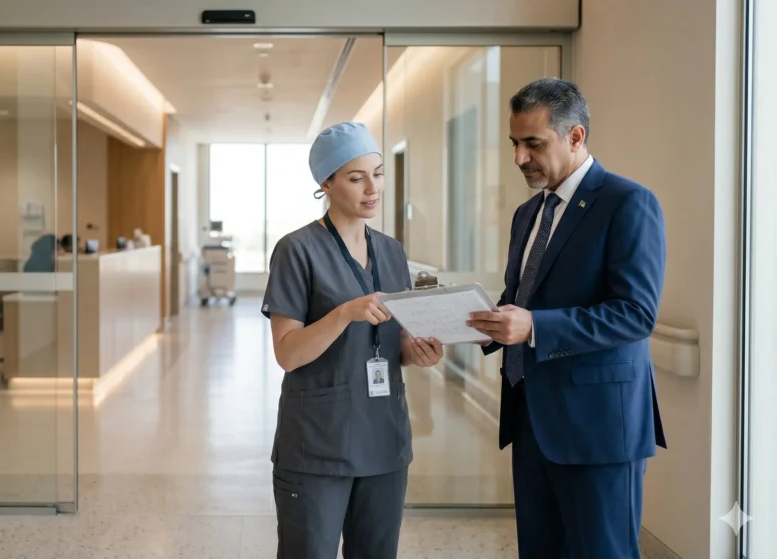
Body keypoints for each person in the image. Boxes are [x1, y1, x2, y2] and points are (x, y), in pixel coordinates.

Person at [467, 78, 667, 559]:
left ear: (575, 137)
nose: (519, 157)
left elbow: (635, 314)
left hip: (598, 430)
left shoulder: (628, 203)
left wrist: (535, 327)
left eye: (533, 143)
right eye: (515, 143)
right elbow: (522, 296)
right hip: (531, 419)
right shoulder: (526, 213)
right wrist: (472, 321)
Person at [262, 121, 444, 559]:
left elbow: (391, 341)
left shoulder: (392, 251)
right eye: (356, 177)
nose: (372, 189)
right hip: (318, 444)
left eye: (378, 174)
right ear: (325, 182)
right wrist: (345, 313)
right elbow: (287, 353)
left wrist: (417, 352)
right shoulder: (296, 250)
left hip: (384, 438)